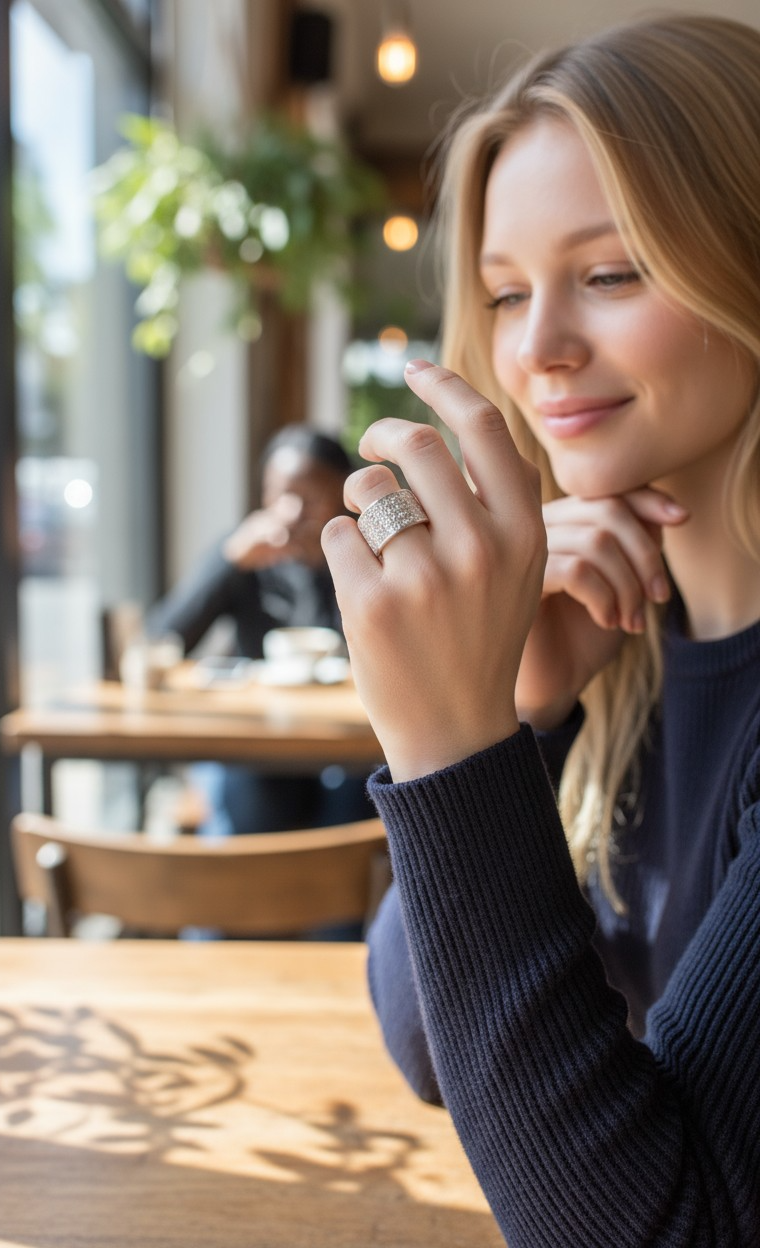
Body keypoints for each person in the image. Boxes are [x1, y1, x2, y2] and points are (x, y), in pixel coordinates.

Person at [320, 14, 760, 1246]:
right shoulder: (627, 640)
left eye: (611, 273)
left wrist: (447, 742)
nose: (538, 351)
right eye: (507, 295)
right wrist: (518, 714)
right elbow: (427, 1044)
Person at [147, 424, 373, 835]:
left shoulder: (364, 563)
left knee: (355, 800)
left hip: (344, 746)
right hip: (260, 742)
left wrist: (332, 563)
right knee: (253, 801)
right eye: (278, 495)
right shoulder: (247, 557)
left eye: (307, 498)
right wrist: (228, 561)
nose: (288, 512)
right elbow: (161, 641)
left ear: (342, 500)